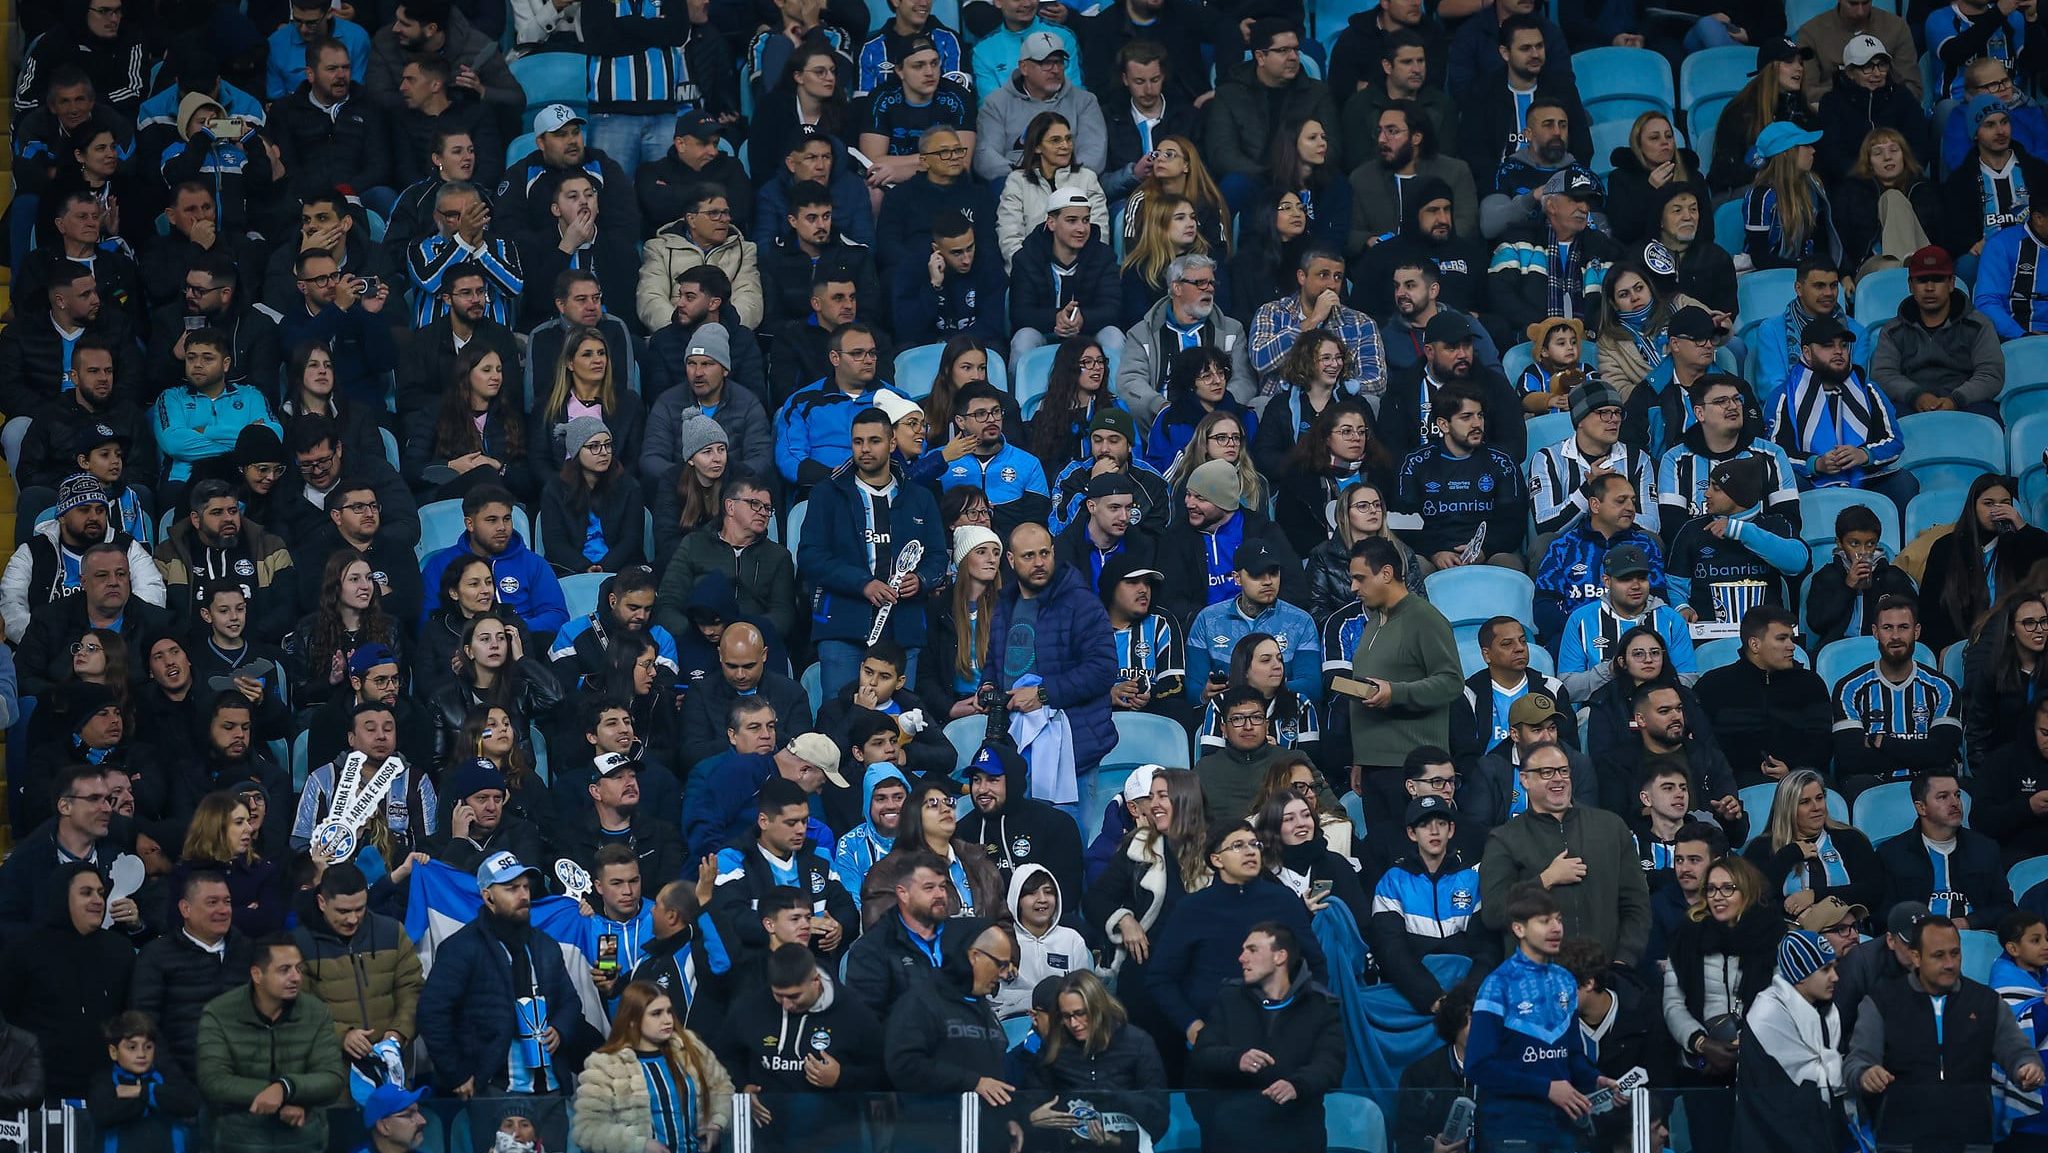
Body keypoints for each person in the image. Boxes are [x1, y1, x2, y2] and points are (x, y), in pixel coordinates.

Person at [1846, 914, 2048, 1148]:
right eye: (1938, 955)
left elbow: (2016, 1049)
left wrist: (2026, 1066)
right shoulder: (1881, 1002)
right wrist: (1865, 1073)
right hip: (1903, 1138)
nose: (1950, 963)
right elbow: (1856, 1062)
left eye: (1955, 953)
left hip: (1971, 1138)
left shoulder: (1986, 1002)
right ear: (1916, 957)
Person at [417, 853, 583, 1100]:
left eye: (526, 887)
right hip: (493, 1089)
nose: (523, 895)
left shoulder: (545, 945)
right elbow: (432, 1013)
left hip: (551, 1090)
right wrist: (457, 1074)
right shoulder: (461, 948)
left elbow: (570, 1001)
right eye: (512, 888)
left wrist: (560, 1028)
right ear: (488, 897)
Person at [1146, 823, 1324, 1051]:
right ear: (1217, 860)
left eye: (1254, 844)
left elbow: (1315, 964)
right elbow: (1161, 978)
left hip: (1280, 1037)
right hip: (1215, 1041)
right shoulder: (1192, 909)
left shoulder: (1284, 901)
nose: (1251, 851)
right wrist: (1192, 1026)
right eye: (1238, 846)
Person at [1466, 883, 1614, 1152]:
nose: (1556, 928)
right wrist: (1545, 1088)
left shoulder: (1566, 981)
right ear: (1518, 928)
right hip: (1511, 1125)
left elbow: (1572, 1056)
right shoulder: (1497, 984)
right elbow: (1478, 1066)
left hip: (1560, 1125)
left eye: (1558, 919)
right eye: (1544, 921)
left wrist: (1595, 1079)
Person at [1480, 740, 1652, 964]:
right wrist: (1546, 879)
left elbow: (1636, 904)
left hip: (1605, 976)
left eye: (1563, 771)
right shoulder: (1504, 839)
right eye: (1546, 772)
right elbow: (1493, 913)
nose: (1558, 778)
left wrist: (1625, 960)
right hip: (1537, 982)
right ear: (1524, 779)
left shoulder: (1610, 827)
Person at [1186, 921, 1344, 1151]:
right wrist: (1237, 1059)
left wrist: (1296, 1085)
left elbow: (1331, 1063)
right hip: (1233, 1134)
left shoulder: (1320, 1005)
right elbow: (1203, 1053)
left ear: (1280, 956)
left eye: (1252, 950)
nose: (1241, 958)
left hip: (1297, 1133)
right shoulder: (1229, 999)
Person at [1345, 535, 1462, 835]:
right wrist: (1362, 759)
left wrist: (1395, 693)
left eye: (1359, 578)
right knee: (1384, 862)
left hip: (1412, 768)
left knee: (1414, 859)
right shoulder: (1374, 622)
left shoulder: (1425, 618)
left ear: (1386, 573)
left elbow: (1451, 682)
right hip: (1374, 766)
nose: (1353, 587)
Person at [1662, 854, 1779, 1153]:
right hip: (1702, 1064)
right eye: (1711, 889)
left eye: (1728, 888)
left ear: (1747, 890)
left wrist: (1748, 1042)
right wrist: (1701, 1043)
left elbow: (1783, 1000)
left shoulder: (1773, 936)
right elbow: (1673, 1004)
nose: (1718, 897)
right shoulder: (1687, 936)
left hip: (1760, 1063)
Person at [718, 943, 885, 1151]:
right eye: (779, 995)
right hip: (769, 1139)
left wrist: (841, 1077)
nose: (786, 1005)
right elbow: (726, 1054)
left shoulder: (855, 1015)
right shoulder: (750, 1008)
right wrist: (742, 1085)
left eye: (794, 996)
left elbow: (880, 1074)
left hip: (835, 1137)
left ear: (815, 981)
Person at [193, 934, 345, 1153]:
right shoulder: (219, 1013)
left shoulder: (316, 1012)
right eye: (284, 970)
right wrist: (277, 1095)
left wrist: (285, 1088)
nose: (296, 977)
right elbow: (213, 1081)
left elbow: (332, 1078)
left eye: (298, 968)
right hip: (238, 1141)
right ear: (257, 974)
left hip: (302, 1141)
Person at [571, 981, 731, 1153]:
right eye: (656, 1014)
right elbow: (587, 1129)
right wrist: (639, 1146)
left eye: (669, 1011)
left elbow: (722, 1088)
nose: (667, 1020)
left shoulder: (689, 1047)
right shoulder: (606, 1066)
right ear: (632, 1019)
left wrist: (715, 1123)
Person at [1370, 795, 1495, 1011]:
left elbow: (1486, 948)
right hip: (1414, 991)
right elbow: (1391, 950)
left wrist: (1466, 997)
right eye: (1424, 824)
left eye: (1441, 823)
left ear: (1451, 829)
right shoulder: (1392, 881)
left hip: (1466, 991)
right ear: (1412, 833)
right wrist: (1433, 998)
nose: (1434, 831)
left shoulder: (1472, 880)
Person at [1729, 929, 1849, 1153]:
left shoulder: (1827, 1013)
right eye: (1825, 969)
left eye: (1835, 967)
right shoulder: (1766, 1018)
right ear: (1801, 974)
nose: (1835, 977)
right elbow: (1772, 1107)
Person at [1390, 381, 1530, 571]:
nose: (1477, 424)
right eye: (1466, 417)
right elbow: (1403, 522)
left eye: (1479, 415)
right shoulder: (1415, 463)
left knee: (1509, 563)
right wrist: (1435, 552)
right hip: (1433, 555)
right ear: (1443, 424)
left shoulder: (1503, 461)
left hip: (1489, 553)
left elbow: (1514, 521)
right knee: (1416, 567)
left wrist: (1484, 549)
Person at [1831, 595, 1964, 793]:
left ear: (1916, 631)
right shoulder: (1849, 688)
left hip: (1931, 787)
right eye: (1887, 628)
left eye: (1903, 627)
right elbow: (1851, 760)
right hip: (1873, 787)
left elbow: (1943, 753)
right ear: (1875, 632)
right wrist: (1922, 753)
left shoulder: (1943, 687)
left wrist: (1881, 741)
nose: (1895, 636)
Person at [293, 862, 423, 1060]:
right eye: (343, 911)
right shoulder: (298, 944)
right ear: (321, 902)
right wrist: (341, 1035)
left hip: (389, 1066)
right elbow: (297, 1006)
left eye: (360, 909)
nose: (353, 919)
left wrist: (398, 1033)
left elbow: (412, 989)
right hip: (330, 1067)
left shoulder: (392, 932)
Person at [1694, 605, 1836, 786]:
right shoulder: (1712, 685)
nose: (1792, 646)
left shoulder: (1811, 684)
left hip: (1802, 781)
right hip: (1732, 785)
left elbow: (1823, 744)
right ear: (1755, 644)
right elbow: (1704, 746)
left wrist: (1792, 769)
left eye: (1791, 639)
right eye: (1782, 639)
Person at [130, 872, 253, 1075]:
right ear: (185, 909)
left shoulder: (249, 952)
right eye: (212, 902)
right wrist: (174, 1084)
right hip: (180, 1081)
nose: (223, 910)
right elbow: (144, 1023)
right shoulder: (157, 955)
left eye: (227, 902)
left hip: (244, 1080)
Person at [1483, 166, 1620, 341]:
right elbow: (1501, 296)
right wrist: (1549, 332)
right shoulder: (1517, 241)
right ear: (1551, 205)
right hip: (1532, 343)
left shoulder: (1603, 248)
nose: (1584, 208)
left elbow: (1613, 302)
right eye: (1576, 199)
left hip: (1592, 345)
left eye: (1587, 201)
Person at [1872, 245, 2004, 419]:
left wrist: (1956, 399)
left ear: (1951, 283)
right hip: (1909, 404)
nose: (1929, 288)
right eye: (1922, 280)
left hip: (1967, 403)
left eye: (1938, 279)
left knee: (1989, 420)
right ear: (1911, 285)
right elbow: (1883, 374)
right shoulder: (1893, 331)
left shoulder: (1979, 325)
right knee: (1885, 422)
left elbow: (1991, 374)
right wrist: (1916, 395)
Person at [1555, 543, 1698, 702]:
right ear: (1607, 581)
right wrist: (1610, 670)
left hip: (1659, 712)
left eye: (1642, 578)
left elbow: (1688, 680)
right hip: (1601, 713)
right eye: (1626, 579)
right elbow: (1567, 687)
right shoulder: (1580, 619)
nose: (1636, 586)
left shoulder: (1671, 620)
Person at [418, 484, 568, 635]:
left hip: (525, 646)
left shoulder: (534, 563)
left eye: (507, 519)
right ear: (470, 524)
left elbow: (556, 617)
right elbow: (427, 624)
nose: (502, 527)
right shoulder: (440, 565)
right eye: (492, 520)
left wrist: (510, 630)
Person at [1923, 475, 2048, 655]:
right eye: (1988, 503)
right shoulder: (1946, 548)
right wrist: (1942, 648)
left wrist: (2021, 527)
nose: (1997, 510)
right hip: (1959, 644)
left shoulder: (2019, 545)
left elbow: (2043, 559)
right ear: (1973, 507)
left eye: (2005, 503)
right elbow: (1930, 607)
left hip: (2015, 644)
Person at [1876, 769, 2014, 928]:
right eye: (1943, 797)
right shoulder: (1893, 853)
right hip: (1916, 943)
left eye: (1957, 795)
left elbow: (2005, 908)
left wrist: (1968, 922)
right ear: (1921, 808)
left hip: (1974, 939)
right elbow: (1883, 914)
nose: (1955, 803)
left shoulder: (1985, 848)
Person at [1529, 377, 1662, 541]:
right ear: (1580, 420)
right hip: (1567, 552)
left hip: (1623, 550)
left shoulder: (1637, 459)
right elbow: (1545, 526)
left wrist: (1607, 511)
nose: (1614, 419)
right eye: (1604, 413)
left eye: (1617, 412)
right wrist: (1586, 491)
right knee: (1543, 543)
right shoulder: (1548, 459)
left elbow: (1652, 526)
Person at [1744, 769, 1886, 920]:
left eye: (1819, 798)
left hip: (1844, 932)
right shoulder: (1761, 848)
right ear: (1788, 808)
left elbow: (1873, 891)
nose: (1816, 807)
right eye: (1805, 802)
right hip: (1786, 934)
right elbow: (1753, 899)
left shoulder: (1851, 839)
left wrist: (1816, 896)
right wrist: (1788, 855)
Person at [959, 741, 1086, 903]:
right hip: (984, 925)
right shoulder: (963, 831)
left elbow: (1067, 894)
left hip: (1043, 923)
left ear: (1013, 782)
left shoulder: (1056, 825)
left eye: (992, 780)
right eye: (976, 780)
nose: (982, 789)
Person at [1247, 246, 1386, 393]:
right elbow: (1259, 360)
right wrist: (1313, 320)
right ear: (1302, 277)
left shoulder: (1361, 323)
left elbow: (1377, 379)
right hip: (1282, 406)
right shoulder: (1272, 312)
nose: (1332, 284)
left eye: (1338, 276)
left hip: (1339, 407)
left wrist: (1334, 391)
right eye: (1323, 275)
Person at [86, 1010, 199, 1152]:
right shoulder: (104, 1081)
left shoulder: (166, 1076)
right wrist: (155, 1098)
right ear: (113, 1052)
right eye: (132, 1047)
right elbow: (104, 1114)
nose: (141, 1054)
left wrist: (142, 1091)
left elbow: (191, 1104)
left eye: (148, 1047)